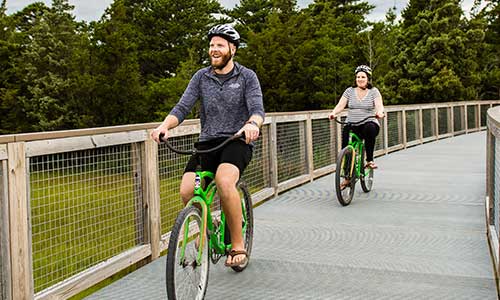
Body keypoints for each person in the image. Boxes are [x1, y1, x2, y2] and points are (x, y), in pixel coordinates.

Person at [151, 24, 265, 268]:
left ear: (232, 49)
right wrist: (165, 126)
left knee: (224, 182)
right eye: (212, 45)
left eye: (220, 45)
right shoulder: (201, 77)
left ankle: (238, 245)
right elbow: (182, 107)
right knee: (186, 191)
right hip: (207, 143)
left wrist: (252, 125)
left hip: (237, 140)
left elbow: (257, 110)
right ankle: (205, 225)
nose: (214, 49)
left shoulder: (247, 77)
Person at [328, 65, 384, 173]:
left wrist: (380, 112)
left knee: (370, 128)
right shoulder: (349, 91)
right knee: (347, 148)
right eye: (358, 77)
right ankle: (347, 174)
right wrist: (333, 113)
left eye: (363, 77)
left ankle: (369, 160)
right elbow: (341, 105)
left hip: (368, 123)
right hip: (352, 124)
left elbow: (379, 105)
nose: (360, 79)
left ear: (368, 79)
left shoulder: (374, 91)